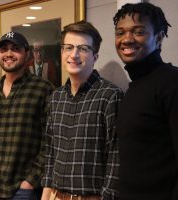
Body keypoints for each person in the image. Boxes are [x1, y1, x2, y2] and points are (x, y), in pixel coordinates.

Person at [113, 2, 178, 200]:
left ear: (159, 37)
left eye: (138, 32)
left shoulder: (175, 83)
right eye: (120, 33)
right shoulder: (134, 87)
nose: (127, 39)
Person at [41, 21, 123, 200]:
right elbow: (51, 151)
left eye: (83, 48)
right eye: (68, 47)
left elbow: (116, 158)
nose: (74, 54)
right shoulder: (56, 97)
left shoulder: (110, 96)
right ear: (62, 52)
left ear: (95, 56)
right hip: (56, 195)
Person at [0, 31, 54, 199]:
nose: (8, 54)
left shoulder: (43, 89)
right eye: (3, 49)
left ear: (27, 53)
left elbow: (50, 140)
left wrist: (30, 181)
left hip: (24, 190)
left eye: (15, 49)